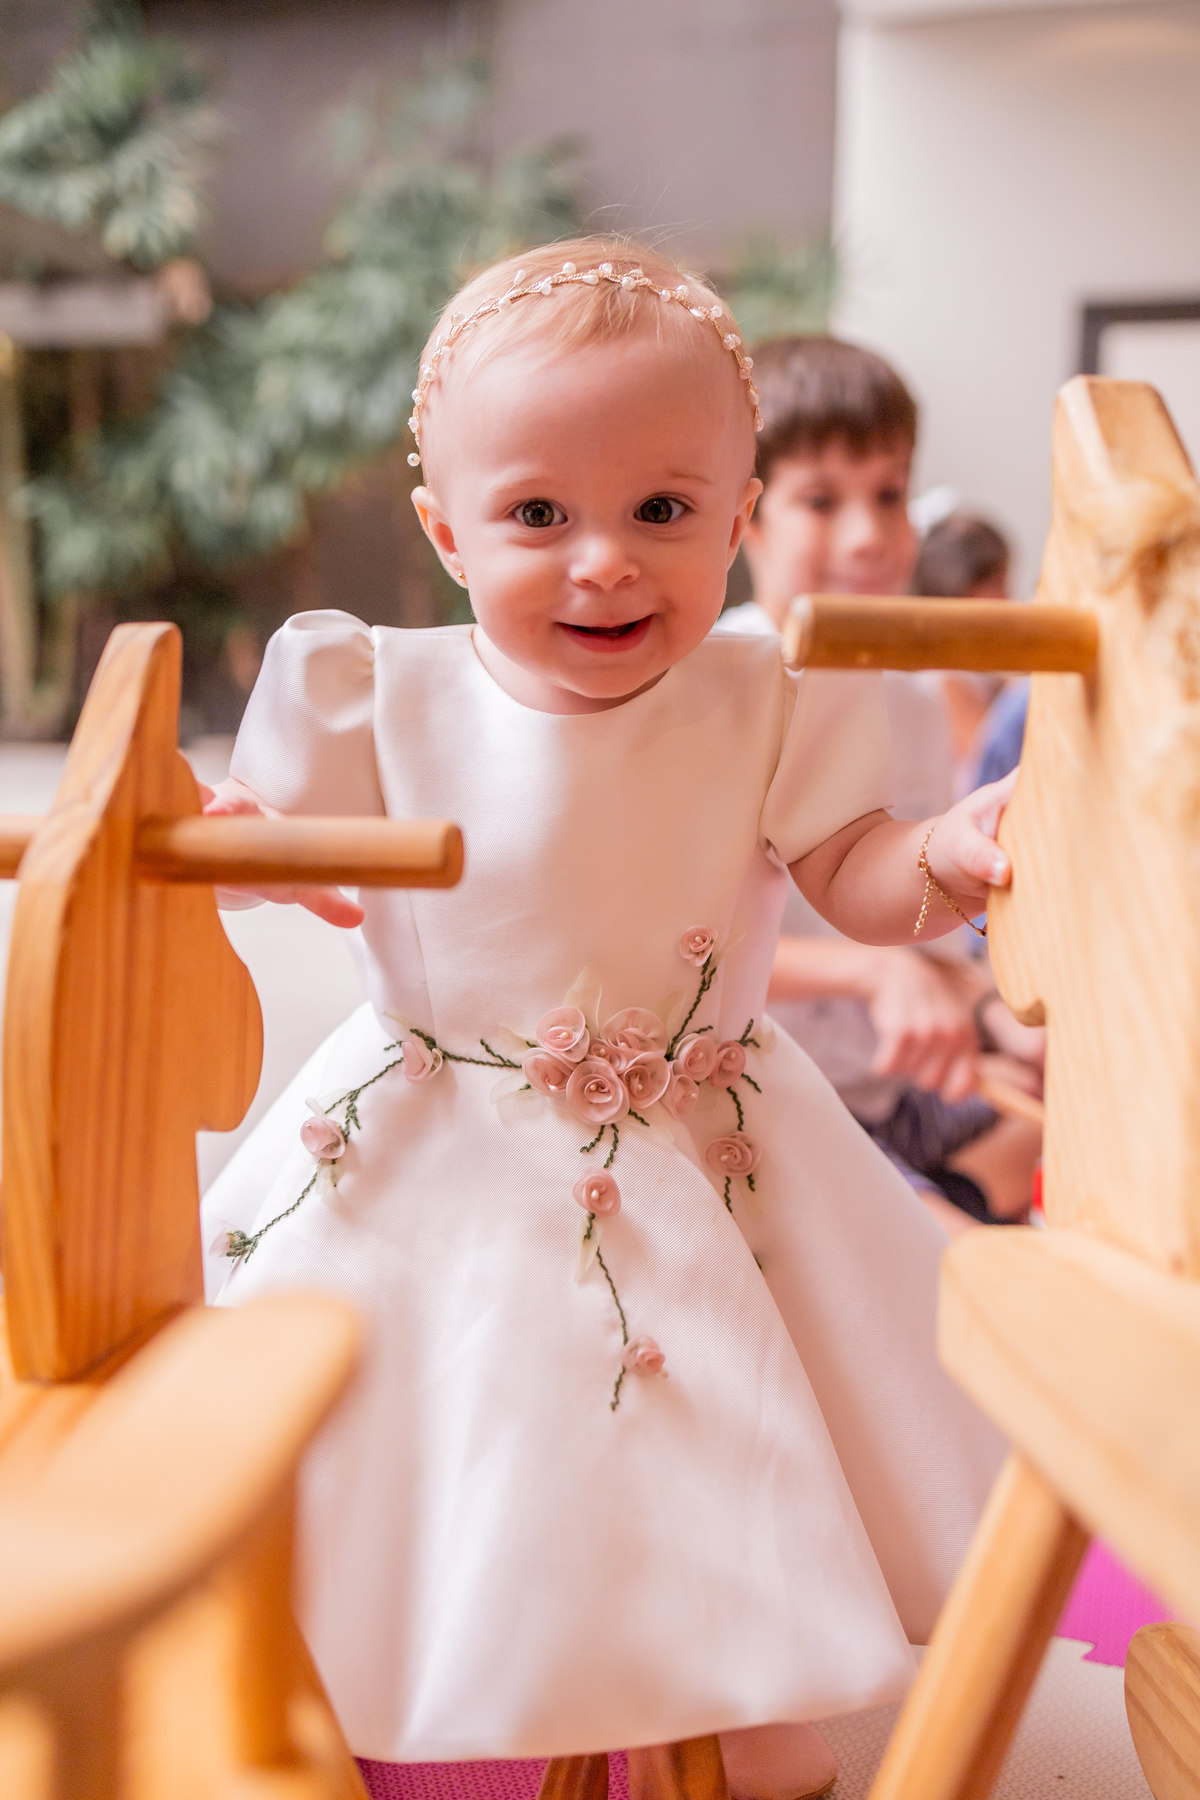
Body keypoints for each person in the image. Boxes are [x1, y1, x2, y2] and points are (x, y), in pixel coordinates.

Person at [201, 241, 1007, 1800]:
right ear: (446, 531)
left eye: (662, 509)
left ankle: (750, 1698)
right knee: (441, 1444)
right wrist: (232, 843)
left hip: (710, 1124)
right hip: (439, 1129)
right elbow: (268, 860)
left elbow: (856, 871)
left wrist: (951, 860)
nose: (605, 563)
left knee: (725, 1430)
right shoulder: (378, 691)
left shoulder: (768, 695)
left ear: (737, 511)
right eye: (536, 517)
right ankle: (397, 1677)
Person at [716, 338, 1037, 1231]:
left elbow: (924, 930)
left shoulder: (916, 703)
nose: (867, 534)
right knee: (975, 1280)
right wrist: (867, 972)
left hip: (886, 1096)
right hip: (766, 1107)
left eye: (889, 495)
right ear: (747, 517)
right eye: (822, 500)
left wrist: (994, 1013)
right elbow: (673, 952)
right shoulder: (722, 687)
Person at [911, 510, 1013, 787]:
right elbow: (996, 761)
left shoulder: (981, 674)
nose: (1008, 598)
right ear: (960, 589)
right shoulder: (944, 679)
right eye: (996, 585)